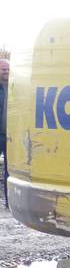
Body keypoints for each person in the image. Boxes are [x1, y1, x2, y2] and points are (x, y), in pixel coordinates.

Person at [0, 55, 8, 208]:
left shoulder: (17, 86)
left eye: (8, 69)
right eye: (3, 69)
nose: (6, 72)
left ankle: (10, 202)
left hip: (11, 135)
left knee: (10, 170)